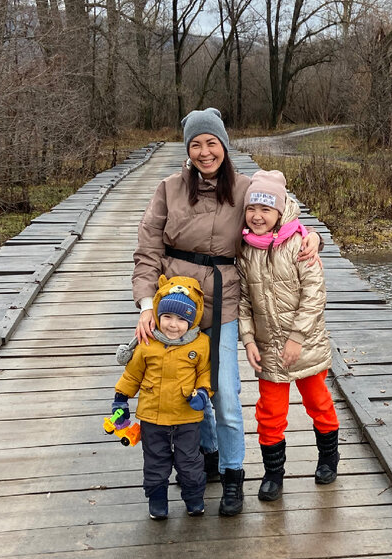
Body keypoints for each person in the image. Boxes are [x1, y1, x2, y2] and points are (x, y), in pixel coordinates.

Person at [132, 109, 321, 516]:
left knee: (227, 396)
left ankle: (233, 475)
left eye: (211, 143)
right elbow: (148, 250)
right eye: (195, 144)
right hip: (176, 304)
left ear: (224, 145)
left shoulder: (246, 187)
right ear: (187, 149)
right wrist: (147, 305)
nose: (204, 152)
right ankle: (207, 456)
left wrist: (313, 237)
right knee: (184, 385)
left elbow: (283, 217)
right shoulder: (168, 189)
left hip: (225, 300)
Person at [238, 169, 339, 501]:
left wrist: (297, 337)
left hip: (305, 344)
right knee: (269, 413)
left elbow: (314, 295)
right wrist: (249, 339)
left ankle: (328, 458)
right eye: (252, 209)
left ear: (280, 211)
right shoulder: (244, 250)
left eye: (266, 209)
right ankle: (273, 473)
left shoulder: (300, 244)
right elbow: (241, 299)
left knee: (319, 403)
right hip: (268, 348)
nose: (257, 216)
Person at [111, 275, 212, 520]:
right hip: (152, 418)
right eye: (167, 317)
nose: (173, 325)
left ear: (192, 319)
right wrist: (121, 399)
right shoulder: (147, 343)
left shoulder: (201, 345)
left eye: (181, 319)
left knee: (190, 461)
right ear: (158, 315)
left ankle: (194, 498)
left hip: (186, 416)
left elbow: (205, 374)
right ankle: (157, 499)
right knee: (155, 461)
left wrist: (203, 393)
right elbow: (133, 374)